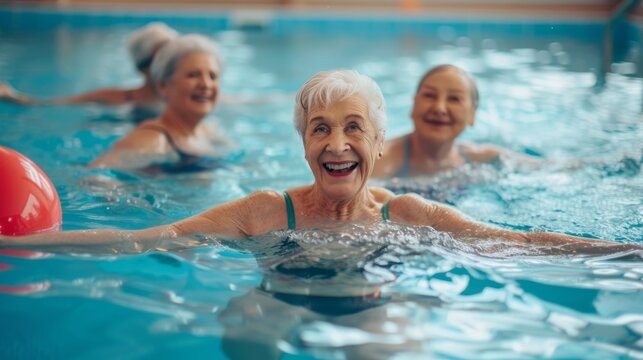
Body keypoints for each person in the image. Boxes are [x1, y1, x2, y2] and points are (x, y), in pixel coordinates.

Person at [1, 69, 638, 253]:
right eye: (320, 130)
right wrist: (28, 243)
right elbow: (148, 238)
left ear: (379, 146)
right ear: (303, 144)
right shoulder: (261, 211)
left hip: (371, 305)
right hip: (277, 297)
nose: (336, 144)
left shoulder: (410, 211)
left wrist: (626, 253)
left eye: (353, 128)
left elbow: (518, 240)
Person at [88, 34, 229, 172]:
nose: (206, 84)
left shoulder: (208, 132)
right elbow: (95, 175)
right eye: (193, 75)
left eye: (213, 76)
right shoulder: (154, 141)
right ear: (163, 86)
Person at [373, 64, 536, 179]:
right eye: (430, 95)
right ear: (414, 104)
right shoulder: (380, 162)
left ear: (472, 114)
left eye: (454, 99)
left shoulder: (482, 159)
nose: (440, 108)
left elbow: (550, 168)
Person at [0, 22, 178, 114]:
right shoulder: (114, 98)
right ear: (144, 66)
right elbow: (51, 105)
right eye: (164, 58)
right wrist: (12, 96)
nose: (173, 65)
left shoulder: (186, 102)